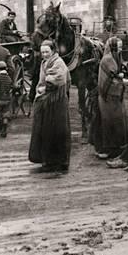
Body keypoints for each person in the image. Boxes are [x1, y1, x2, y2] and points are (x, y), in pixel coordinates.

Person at [29, 40, 71, 173]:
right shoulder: (44, 63)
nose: (45, 54)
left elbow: (59, 79)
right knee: (47, 131)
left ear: (53, 51)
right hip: (48, 101)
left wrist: (43, 89)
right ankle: (48, 159)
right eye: (42, 52)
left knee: (56, 131)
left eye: (47, 51)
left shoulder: (58, 63)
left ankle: (58, 161)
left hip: (56, 102)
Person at [89, 37, 127, 159]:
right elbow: (111, 77)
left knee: (114, 120)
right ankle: (108, 149)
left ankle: (115, 147)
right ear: (113, 47)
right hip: (107, 96)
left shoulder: (116, 56)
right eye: (119, 46)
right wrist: (122, 80)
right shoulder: (108, 59)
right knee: (108, 121)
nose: (121, 48)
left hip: (114, 96)